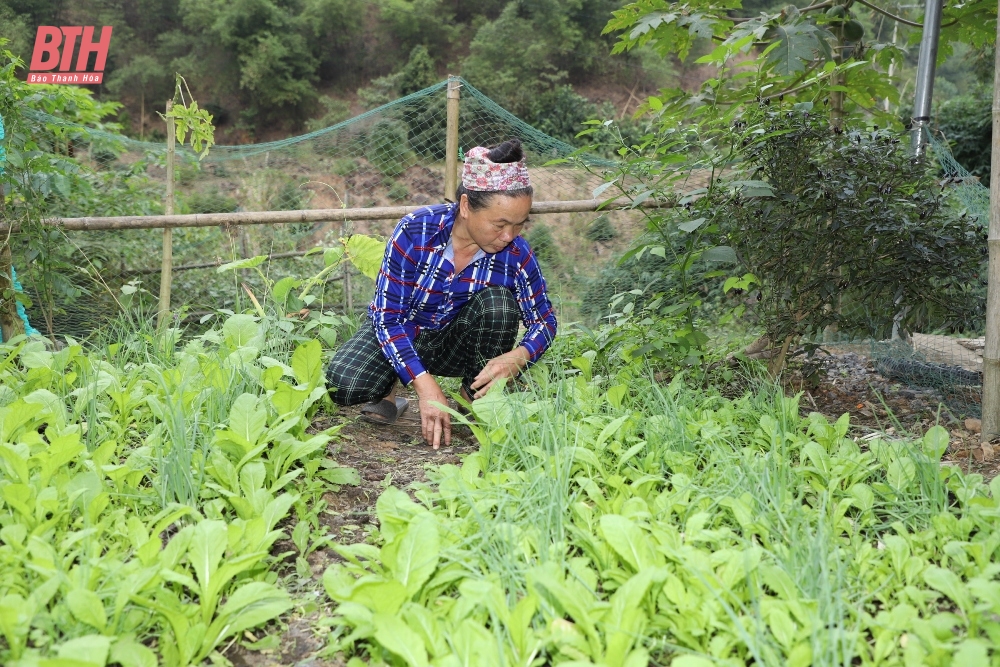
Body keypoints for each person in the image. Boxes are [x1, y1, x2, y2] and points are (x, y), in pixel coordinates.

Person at [326, 138, 557, 449]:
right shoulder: (416, 231)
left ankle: (470, 397)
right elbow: (386, 318)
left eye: (519, 225)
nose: (508, 236)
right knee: (344, 385)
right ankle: (393, 392)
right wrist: (425, 387)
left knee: (499, 305)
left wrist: (522, 354)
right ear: (465, 207)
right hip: (405, 331)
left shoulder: (516, 254)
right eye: (500, 224)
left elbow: (545, 321)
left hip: (455, 344)